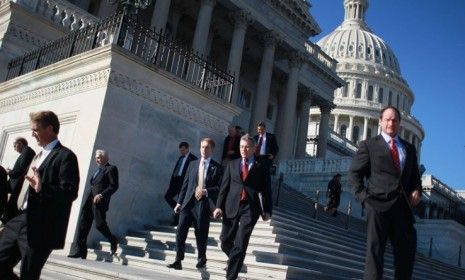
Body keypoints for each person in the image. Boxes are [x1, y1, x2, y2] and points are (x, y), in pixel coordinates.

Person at [0, 110, 80, 280]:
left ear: (50, 129)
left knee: (29, 274)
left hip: (41, 225)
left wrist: (43, 188)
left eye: (35, 130)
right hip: (18, 219)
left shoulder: (66, 156)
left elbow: (70, 192)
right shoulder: (37, 156)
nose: (32, 134)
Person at [348, 106, 422, 280]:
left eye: (394, 120)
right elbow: (354, 173)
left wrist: (417, 190)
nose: (391, 123)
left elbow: (414, 178)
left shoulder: (409, 149)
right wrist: (364, 198)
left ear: (399, 123)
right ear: (380, 121)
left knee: (406, 254)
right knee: (375, 254)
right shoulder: (369, 145)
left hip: (402, 208)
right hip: (377, 205)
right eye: (387, 119)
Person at [213, 134, 273, 280]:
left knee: (241, 243)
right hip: (231, 205)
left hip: (250, 208)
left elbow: (267, 190)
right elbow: (224, 187)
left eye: (246, 147)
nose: (243, 150)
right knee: (225, 240)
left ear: (254, 148)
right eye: (241, 146)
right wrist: (218, 206)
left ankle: (231, 276)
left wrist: (267, 210)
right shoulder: (232, 164)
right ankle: (235, 260)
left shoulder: (262, 166)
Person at [167, 138, 222, 270]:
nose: (204, 149)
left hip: (202, 204)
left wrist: (206, 191)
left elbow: (219, 188)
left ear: (212, 149)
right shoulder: (192, 164)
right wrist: (179, 202)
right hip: (187, 203)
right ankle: (178, 260)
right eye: (202, 147)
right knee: (180, 231)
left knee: (201, 233)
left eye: (207, 147)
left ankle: (202, 257)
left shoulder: (217, 167)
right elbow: (185, 184)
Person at [68, 150, 119, 259]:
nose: (97, 159)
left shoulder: (111, 169)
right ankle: (80, 251)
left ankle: (112, 239)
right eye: (96, 157)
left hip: (99, 202)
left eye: (99, 157)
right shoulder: (97, 171)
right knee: (83, 226)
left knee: (99, 225)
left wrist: (101, 195)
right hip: (88, 201)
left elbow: (113, 186)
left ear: (106, 158)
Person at [165, 142, 197, 226]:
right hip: (176, 181)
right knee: (167, 196)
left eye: (183, 150)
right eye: (180, 150)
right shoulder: (180, 158)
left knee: (180, 201)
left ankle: (176, 221)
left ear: (187, 148)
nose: (182, 152)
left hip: (184, 183)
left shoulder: (193, 159)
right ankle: (180, 210)